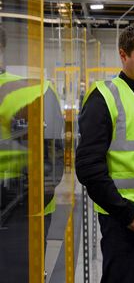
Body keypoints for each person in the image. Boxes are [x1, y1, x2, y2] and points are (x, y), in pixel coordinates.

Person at [76, 23, 134, 283]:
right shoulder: (104, 97)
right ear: (124, 55)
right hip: (125, 221)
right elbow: (88, 167)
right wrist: (126, 212)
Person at [0, 24, 64, 280]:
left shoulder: (35, 90)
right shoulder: (37, 89)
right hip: (25, 213)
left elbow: (52, 161)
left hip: (23, 212)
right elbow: (54, 161)